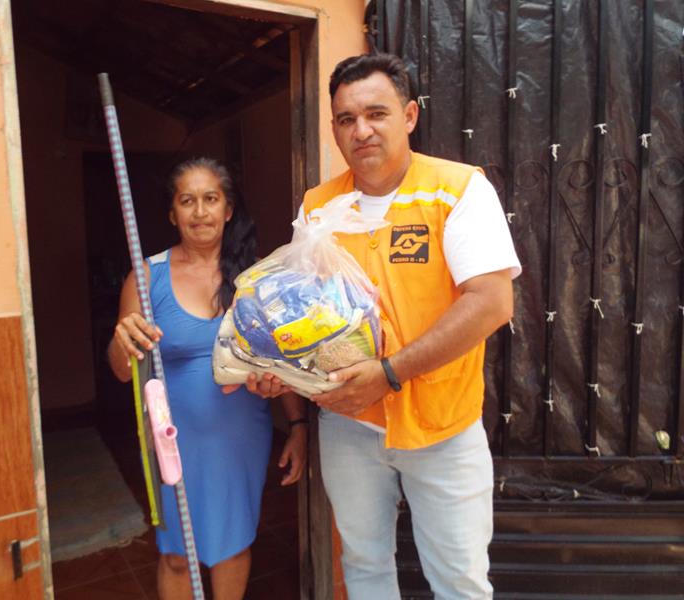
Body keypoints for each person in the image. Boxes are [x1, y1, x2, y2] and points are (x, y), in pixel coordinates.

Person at [239, 54, 521, 599]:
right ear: (334, 129)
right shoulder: (319, 206)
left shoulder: (457, 190)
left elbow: (491, 304)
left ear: (410, 115)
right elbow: (295, 310)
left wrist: (389, 372)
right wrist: (278, 370)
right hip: (349, 424)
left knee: (460, 581)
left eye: (376, 113)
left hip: (442, 426)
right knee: (364, 567)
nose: (361, 130)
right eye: (346, 119)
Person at [108, 157, 306, 600]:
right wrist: (122, 340)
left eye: (211, 199)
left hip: (241, 438)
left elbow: (282, 363)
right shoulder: (145, 277)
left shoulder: (257, 276)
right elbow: (123, 372)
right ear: (172, 214)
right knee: (177, 553)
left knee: (232, 547)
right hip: (173, 439)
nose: (200, 212)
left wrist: (297, 426)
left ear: (228, 209)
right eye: (188, 201)